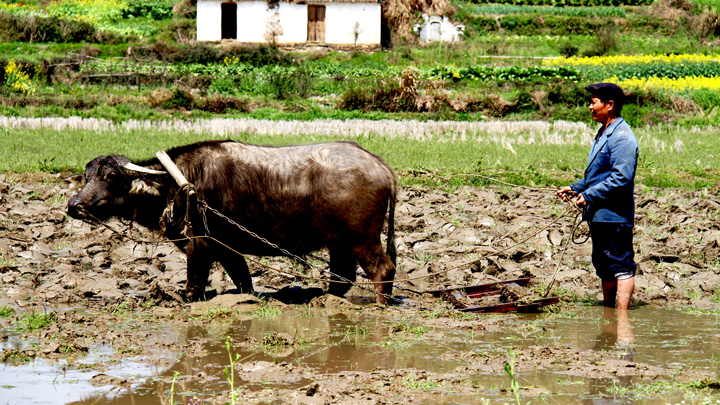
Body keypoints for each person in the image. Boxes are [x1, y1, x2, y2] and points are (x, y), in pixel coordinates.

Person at [556, 82, 639, 311]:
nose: (589, 107)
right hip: (600, 214)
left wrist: (589, 195)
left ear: (609, 105)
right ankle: (608, 310)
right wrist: (575, 187)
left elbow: (621, 177)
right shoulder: (604, 132)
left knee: (620, 264)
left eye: (594, 102)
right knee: (603, 264)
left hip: (615, 215)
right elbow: (599, 175)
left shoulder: (622, 137)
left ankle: (621, 319)